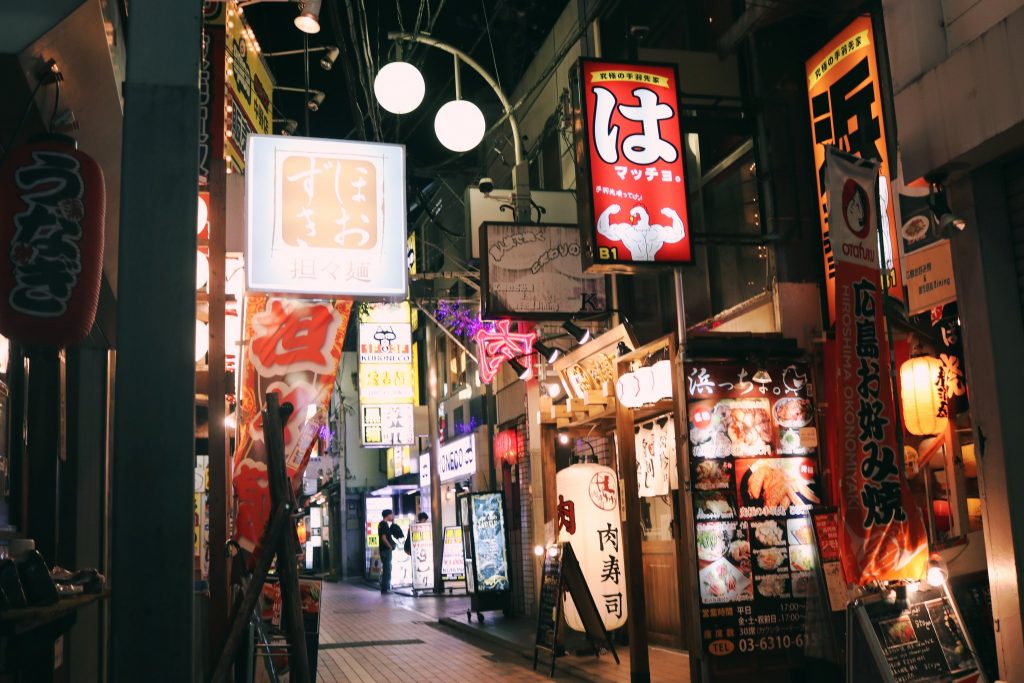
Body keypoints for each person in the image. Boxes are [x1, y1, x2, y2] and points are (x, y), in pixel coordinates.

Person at [378, 509, 395, 593]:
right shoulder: (384, 525)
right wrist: (390, 547)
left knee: (386, 568)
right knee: (387, 569)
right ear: (388, 515)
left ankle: (384, 588)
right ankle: (386, 589)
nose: (392, 516)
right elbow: (384, 538)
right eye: (391, 515)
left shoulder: (381, 524)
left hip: (383, 550)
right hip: (386, 550)